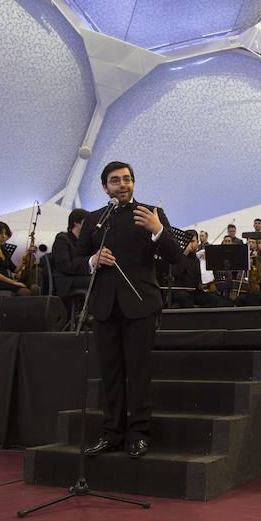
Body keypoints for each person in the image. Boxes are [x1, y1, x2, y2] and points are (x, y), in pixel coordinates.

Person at [79, 161, 182, 459]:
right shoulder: (96, 220)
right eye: (115, 180)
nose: (122, 184)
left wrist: (158, 230)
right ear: (104, 187)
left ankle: (138, 433)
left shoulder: (151, 213)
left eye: (127, 179)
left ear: (133, 183)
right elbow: (74, 260)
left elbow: (175, 256)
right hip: (104, 306)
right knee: (110, 373)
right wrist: (91, 260)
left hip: (140, 304)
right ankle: (111, 433)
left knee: (138, 372)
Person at [0, 222, 39, 296]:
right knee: (26, 292)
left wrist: (26, 256)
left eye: (6, 234)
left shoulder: (3, 249)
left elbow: (15, 270)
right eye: (1, 234)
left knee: (35, 288)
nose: (4, 236)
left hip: (5, 282)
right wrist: (13, 282)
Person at [51, 208, 91, 297]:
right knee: (97, 282)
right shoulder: (62, 239)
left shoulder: (83, 241)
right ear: (76, 223)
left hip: (78, 276)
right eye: (86, 222)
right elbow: (64, 265)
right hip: (67, 279)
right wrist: (86, 267)